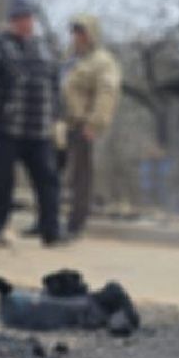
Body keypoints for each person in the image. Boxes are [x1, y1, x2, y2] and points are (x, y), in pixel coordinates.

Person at [0, 0, 64, 246]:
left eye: (29, 18)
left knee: (48, 180)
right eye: (20, 18)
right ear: (12, 21)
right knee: (1, 181)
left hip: (40, 129)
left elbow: (55, 85)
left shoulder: (44, 47)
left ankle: (51, 230)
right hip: (6, 128)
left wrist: (58, 118)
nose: (26, 23)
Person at [62, 14, 121, 239]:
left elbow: (107, 94)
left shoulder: (102, 62)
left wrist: (95, 123)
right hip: (60, 124)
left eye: (82, 32)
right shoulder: (70, 59)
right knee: (50, 174)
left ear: (91, 34)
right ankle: (46, 220)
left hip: (83, 124)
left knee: (80, 177)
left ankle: (75, 224)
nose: (77, 37)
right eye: (75, 32)